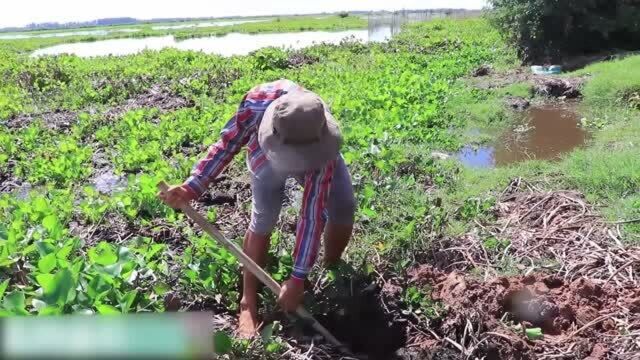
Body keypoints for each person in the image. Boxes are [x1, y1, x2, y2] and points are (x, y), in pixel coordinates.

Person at [158, 79, 356, 337]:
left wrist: (297, 277)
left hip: (316, 156)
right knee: (264, 219)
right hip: (267, 157)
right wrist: (192, 186)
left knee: (343, 206)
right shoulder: (256, 105)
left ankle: (331, 268)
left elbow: (311, 215)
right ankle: (247, 303)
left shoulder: (317, 132)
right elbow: (226, 145)